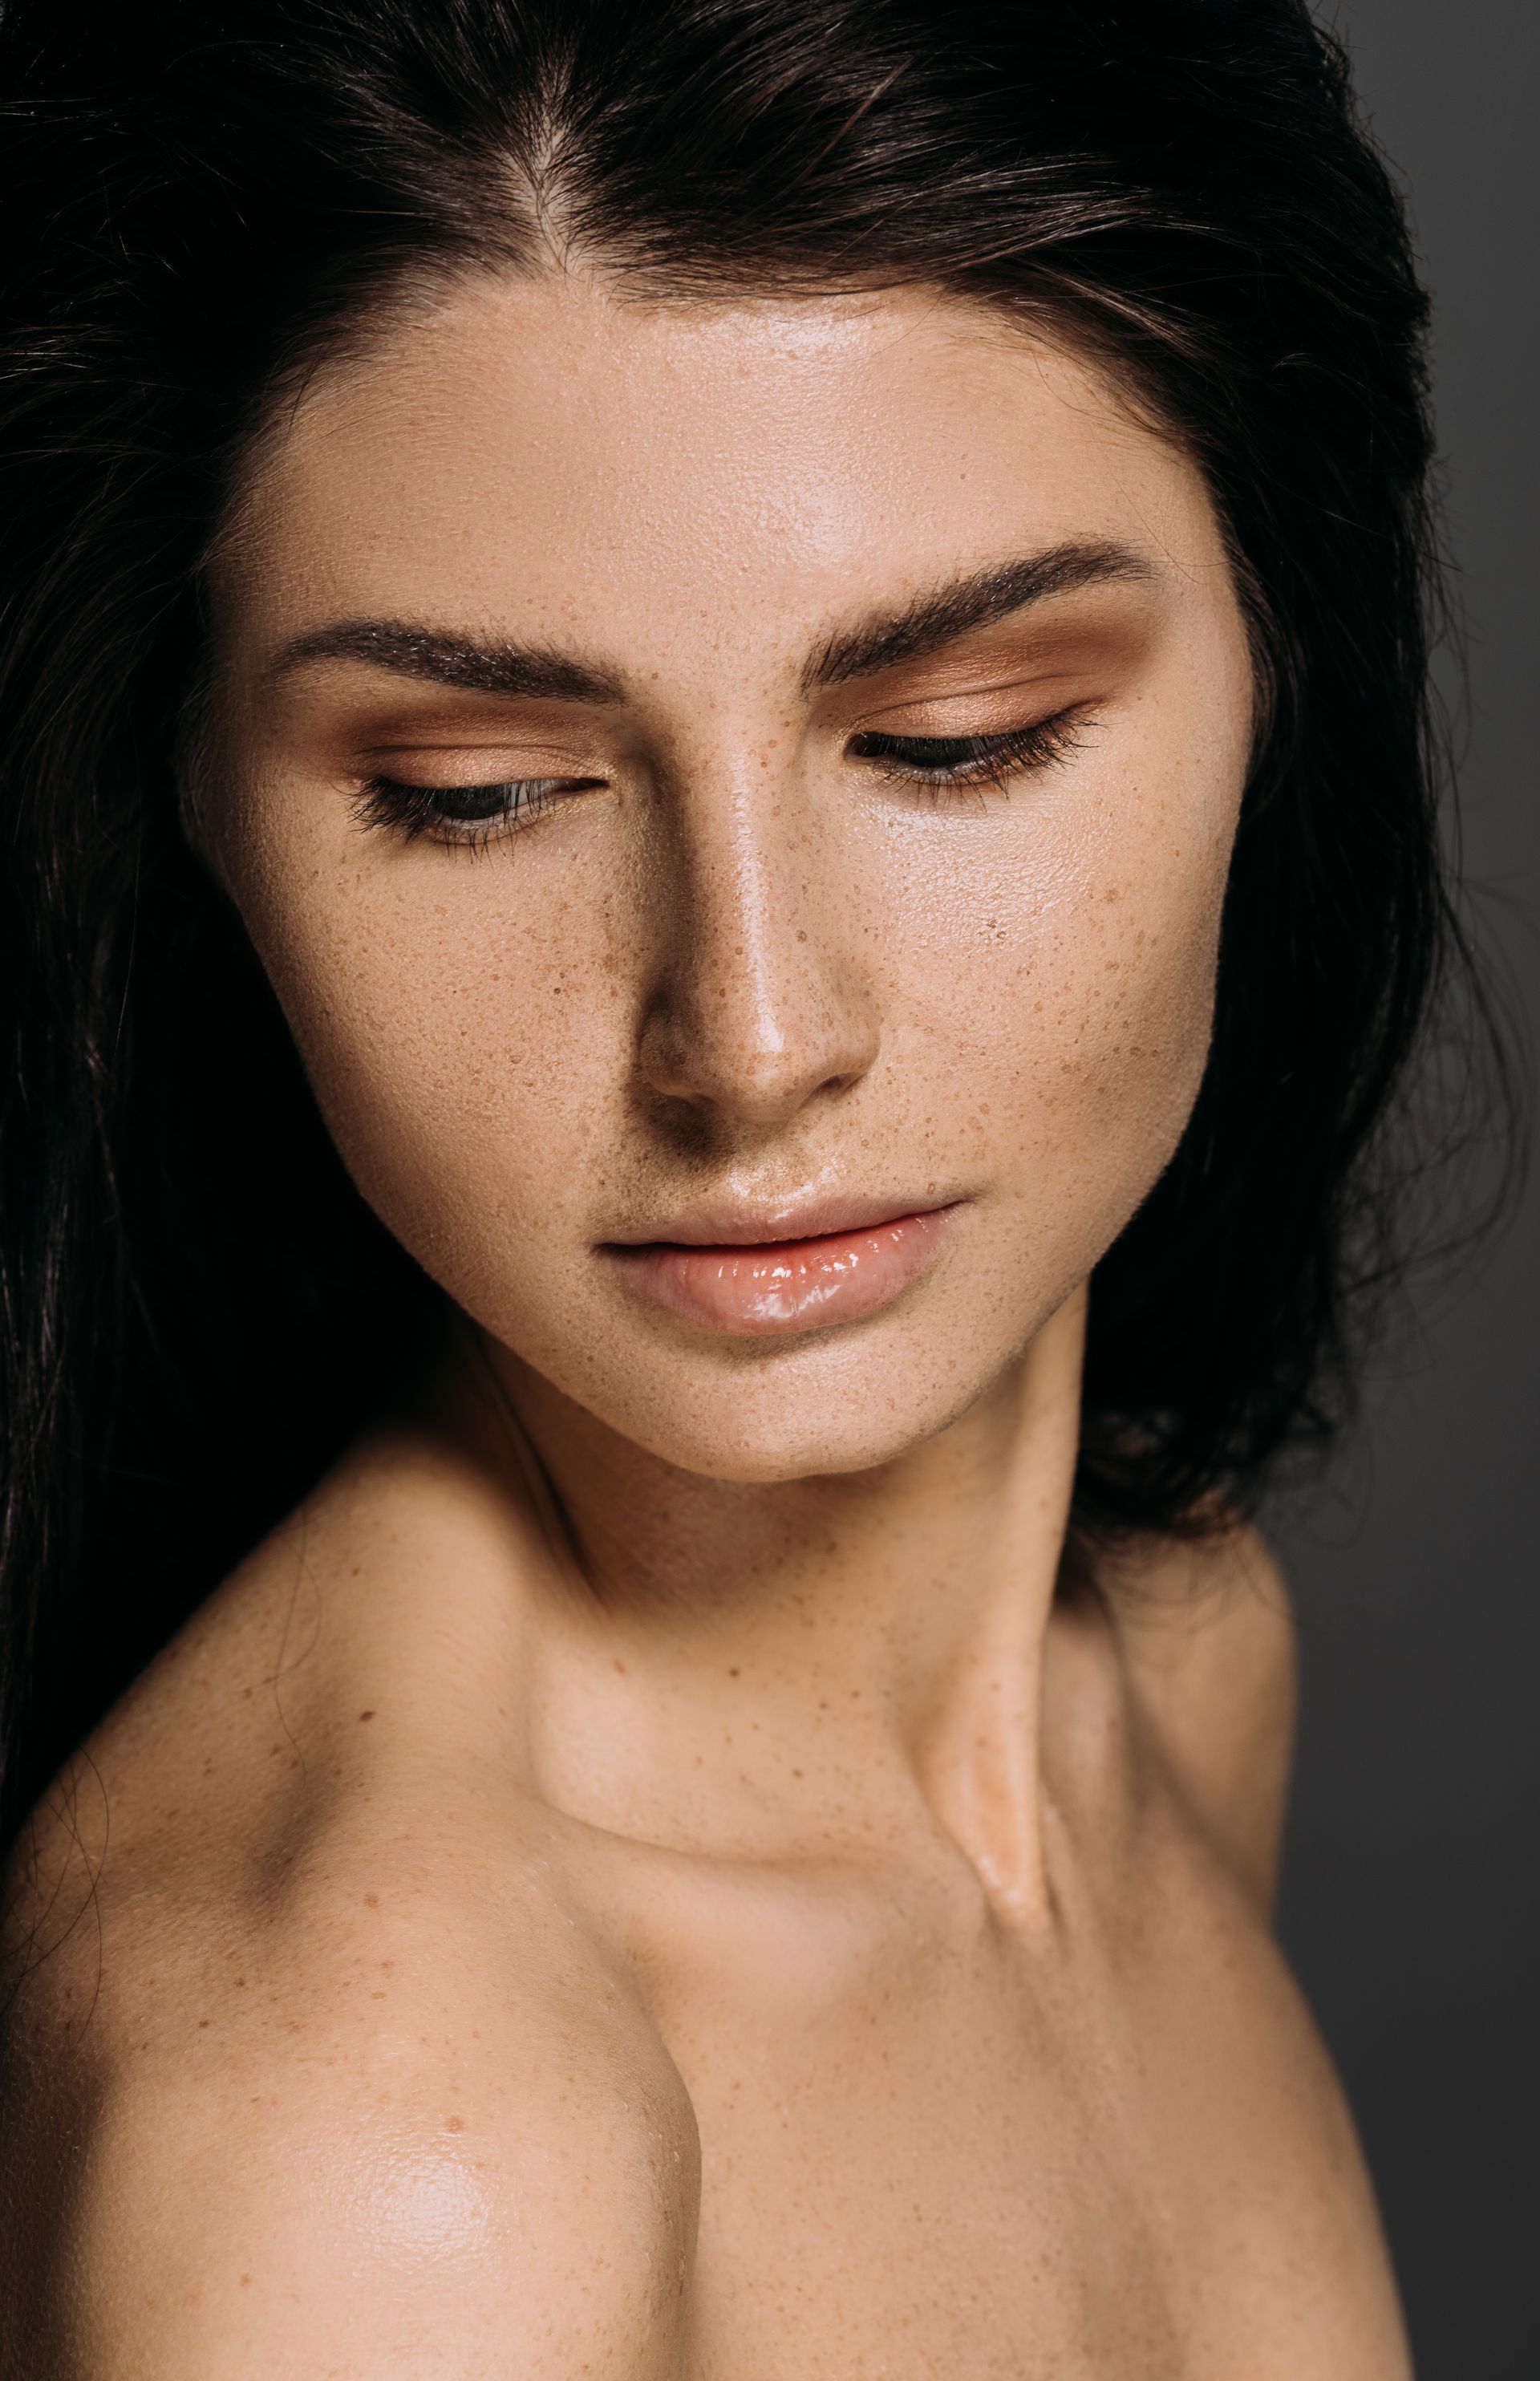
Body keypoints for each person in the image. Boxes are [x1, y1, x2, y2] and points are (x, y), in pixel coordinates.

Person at [0, 1, 1497, 2370]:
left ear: (1281, 654)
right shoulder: (378, 2153)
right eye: (479, 788)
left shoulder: (1180, 1667)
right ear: (191, 797)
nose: (758, 1039)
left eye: (955, 741)